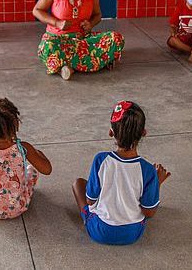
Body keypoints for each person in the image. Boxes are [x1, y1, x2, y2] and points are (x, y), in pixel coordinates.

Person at [72, 101, 171, 245]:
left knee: (78, 183)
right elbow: (149, 212)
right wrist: (156, 182)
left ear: (111, 132)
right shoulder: (148, 170)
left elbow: (90, 200)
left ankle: (86, 218)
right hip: (132, 234)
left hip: (100, 231)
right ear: (144, 133)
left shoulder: (101, 160)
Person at [33, 0, 125, 80]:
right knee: (48, 47)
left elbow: (98, 15)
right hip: (58, 39)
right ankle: (95, 62)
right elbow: (37, 10)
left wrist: (90, 24)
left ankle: (69, 66)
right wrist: (57, 23)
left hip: (82, 39)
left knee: (115, 38)